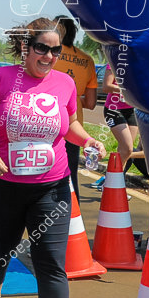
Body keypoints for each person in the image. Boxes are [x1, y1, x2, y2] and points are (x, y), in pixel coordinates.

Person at [0, 17, 105, 298]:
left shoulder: (64, 84)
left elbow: (69, 124)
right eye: (42, 48)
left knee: (51, 262)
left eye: (55, 50)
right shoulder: (0, 78)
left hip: (52, 188)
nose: (49, 56)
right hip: (5, 185)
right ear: (27, 48)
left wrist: (89, 141)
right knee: (1, 248)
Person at [52, 15, 98, 196]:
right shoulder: (87, 60)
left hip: (44, 121)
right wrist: (74, 99)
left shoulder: (48, 54)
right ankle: (73, 218)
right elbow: (91, 103)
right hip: (73, 124)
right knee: (69, 174)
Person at [93, 60, 147, 189]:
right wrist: (127, 90)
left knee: (124, 151)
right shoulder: (115, 62)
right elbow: (106, 87)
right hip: (113, 109)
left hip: (131, 110)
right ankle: (112, 182)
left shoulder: (138, 64)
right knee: (127, 148)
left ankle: (113, 183)